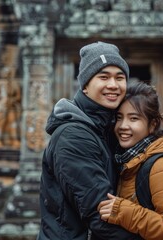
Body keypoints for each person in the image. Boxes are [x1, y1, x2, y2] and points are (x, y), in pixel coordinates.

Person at [37, 42, 139, 240]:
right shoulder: (73, 135)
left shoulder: (109, 128)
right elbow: (101, 213)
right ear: (85, 86)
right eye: (103, 77)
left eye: (120, 78)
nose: (113, 85)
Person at [98, 80, 163, 240]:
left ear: (153, 124)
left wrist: (123, 211)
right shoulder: (128, 160)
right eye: (119, 118)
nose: (123, 126)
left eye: (133, 118)